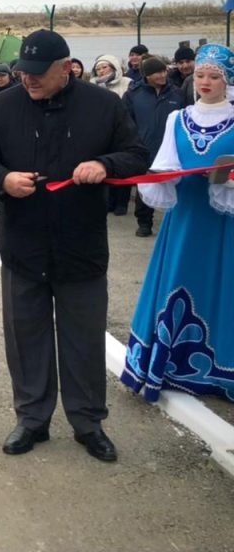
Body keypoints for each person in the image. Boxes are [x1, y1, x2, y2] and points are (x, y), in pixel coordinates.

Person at [0, 29, 148, 463]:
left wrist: (104, 165)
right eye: (22, 72)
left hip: (80, 246)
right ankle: (32, 419)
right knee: (26, 336)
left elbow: (137, 155)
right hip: (23, 246)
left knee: (83, 339)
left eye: (37, 74)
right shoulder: (0, 107)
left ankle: (88, 422)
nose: (27, 80)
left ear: (66, 68)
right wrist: (2, 180)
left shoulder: (104, 106)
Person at [120, 44, 234, 403]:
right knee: (177, 283)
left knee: (222, 285)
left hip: (224, 221)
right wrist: (160, 177)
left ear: (227, 80)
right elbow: (165, 163)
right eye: (200, 75)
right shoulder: (177, 119)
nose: (205, 82)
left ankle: (221, 371)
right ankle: (166, 365)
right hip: (184, 219)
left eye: (214, 76)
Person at [122, 56, 186, 237]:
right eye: (157, 72)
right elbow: (126, 122)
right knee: (145, 187)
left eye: (164, 71)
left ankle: (174, 222)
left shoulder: (177, 93)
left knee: (174, 186)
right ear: (147, 75)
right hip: (144, 148)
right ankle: (144, 222)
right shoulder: (133, 94)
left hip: (171, 149)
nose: (162, 75)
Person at [92, 54, 133, 215]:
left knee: (121, 166)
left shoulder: (127, 84)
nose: (101, 71)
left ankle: (122, 203)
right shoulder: (93, 85)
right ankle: (108, 201)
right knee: (104, 166)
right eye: (98, 69)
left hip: (122, 129)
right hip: (101, 131)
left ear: (114, 67)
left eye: (105, 67)